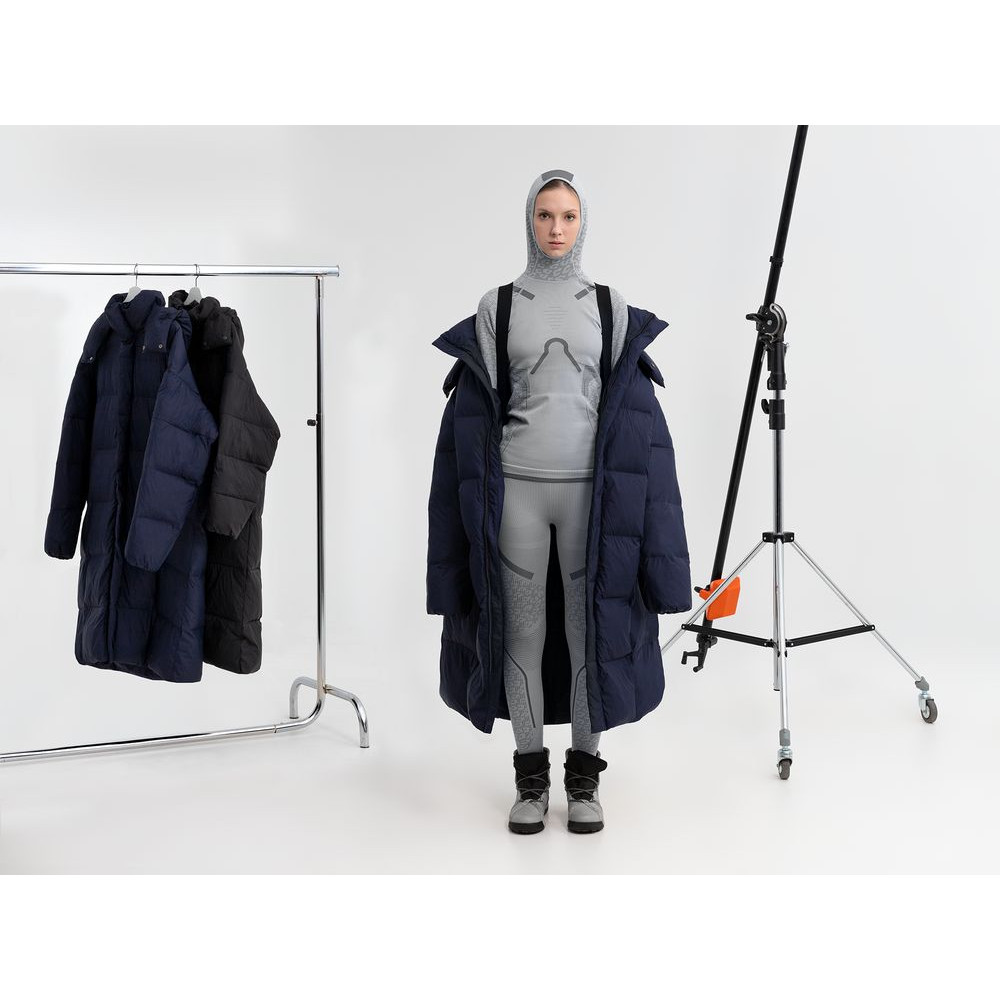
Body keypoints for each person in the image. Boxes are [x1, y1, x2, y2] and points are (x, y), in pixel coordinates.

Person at [475, 169, 631, 834]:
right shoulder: (499, 305)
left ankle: (585, 780)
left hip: (588, 498)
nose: (556, 228)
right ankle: (531, 781)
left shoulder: (610, 305)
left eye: (568, 216)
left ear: (583, 221)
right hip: (519, 492)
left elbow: (621, 409)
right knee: (524, 636)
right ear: (529, 221)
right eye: (545, 215)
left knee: (585, 633)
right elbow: (484, 407)